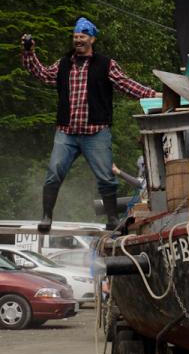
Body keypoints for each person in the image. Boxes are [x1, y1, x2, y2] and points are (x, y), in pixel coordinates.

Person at [21, 17, 156, 231]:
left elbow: (126, 85)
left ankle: (112, 219)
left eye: (82, 37)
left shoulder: (105, 64)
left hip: (96, 131)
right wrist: (29, 52)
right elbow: (42, 74)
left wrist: (152, 95)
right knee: (54, 171)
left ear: (92, 39)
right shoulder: (64, 64)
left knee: (105, 176)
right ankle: (46, 216)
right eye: (75, 37)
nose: (78, 40)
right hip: (67, 132)